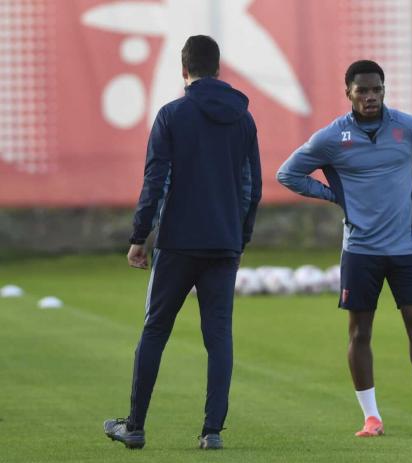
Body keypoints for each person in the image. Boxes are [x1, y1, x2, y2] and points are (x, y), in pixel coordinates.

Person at [277, 60, 412, 437]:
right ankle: (371, 418)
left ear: (384, 89)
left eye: (377, 89)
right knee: (360, 333)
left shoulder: (408, 129)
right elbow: (288, 173)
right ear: (349, 93)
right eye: (363, 91)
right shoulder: (331, 138)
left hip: (409, 248)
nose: (371, 96)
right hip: (360, 250)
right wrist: (333, 196)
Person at [103, 35, 261, 450]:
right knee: (219, 337)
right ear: (219, 68)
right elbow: (252, 186)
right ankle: (212, 432)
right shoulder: (243, 119)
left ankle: (135, 426)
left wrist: (140, 236)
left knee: (155, 330)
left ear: (184, 70)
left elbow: (156, 179)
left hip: (177, 243)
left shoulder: (172, 114)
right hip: (223, 244)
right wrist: (239, 237)